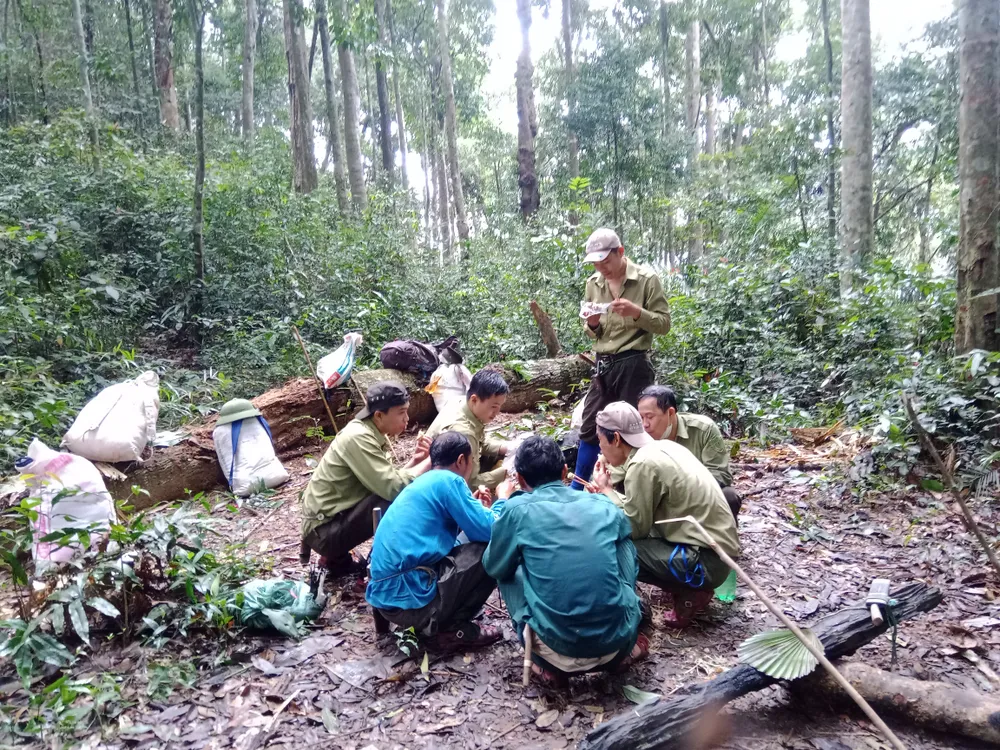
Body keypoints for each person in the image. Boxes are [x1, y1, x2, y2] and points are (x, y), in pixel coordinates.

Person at [483, 436, 647, 687]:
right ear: (564, 472)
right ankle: (625, 622)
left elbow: (494, 566)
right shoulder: (602, 503)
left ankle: (543, 660)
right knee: (622, 540)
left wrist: (503, 502)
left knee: (505, 566)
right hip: (617, 642)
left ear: (522, 480)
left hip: (554, 652)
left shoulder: (517, 510)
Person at [592, 402, 740, 628]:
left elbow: (634, 528)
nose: (600, 449)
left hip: (706, 562)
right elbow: (640, 511)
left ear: (617, 438)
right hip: (717, 556)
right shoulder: (663, 448)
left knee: (614, 546)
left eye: (601, 441)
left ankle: (689, 591)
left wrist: (606, 492)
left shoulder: (642, 463)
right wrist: (608, 493)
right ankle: (689, 589)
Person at [366, 432, 501, 650]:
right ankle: (454, 629)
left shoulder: (423, 482)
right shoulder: (450, 480)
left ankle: (435, 620)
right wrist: (502, 502)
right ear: (460, 460)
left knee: (468, 541)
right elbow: (491, 531)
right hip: (414, 603)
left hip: (387, 601)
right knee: (495, 548)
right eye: (472, 460)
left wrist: (471, 509)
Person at [572, 228, 671, 490]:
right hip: (603, 364)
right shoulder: (594, 283)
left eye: (606, 261)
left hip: (634, 363)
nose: (601, 268)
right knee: (591, 424)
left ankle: (632, 487)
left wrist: (637, 312)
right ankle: (579, 485)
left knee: (633, 428)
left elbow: (664, 324)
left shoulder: (646, 280)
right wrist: (592, 323)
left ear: (621, 252)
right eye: (596, 263)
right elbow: (592, 330)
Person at [300, 381, 431, 575]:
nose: (407, 419)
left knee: (390, 495)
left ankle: (337, 561)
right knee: (398, 500)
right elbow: (393, 488)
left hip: (326, 524)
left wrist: (415, 461)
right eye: (401, 412)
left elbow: (383, 479)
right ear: (379, 415)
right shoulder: (359, 438)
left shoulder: (365, 431)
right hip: (324, 532)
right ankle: (391, 568)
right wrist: (432, 461)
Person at [637, 385, 742, 519]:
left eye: (650, 417)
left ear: (670, 413)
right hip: (659, 497)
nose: (645, 424)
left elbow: (720, 474)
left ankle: (722, 537)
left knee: (729, 496)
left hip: (698, 494)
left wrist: (684, 490)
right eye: (641, 417)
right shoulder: (639, 435)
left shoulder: (703, 429)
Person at [425, 369, 511, 491]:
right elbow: (470, 484)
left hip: (447, 471)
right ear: (474, 399)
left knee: (502, 455)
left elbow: (480, 443)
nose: (497, 413)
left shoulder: (460, 401)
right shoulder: (464, 433)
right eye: (494, 407)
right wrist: (507, 471)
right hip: (443, 486)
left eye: (499, 407)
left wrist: (505, 447)